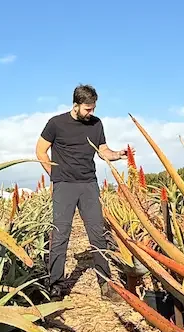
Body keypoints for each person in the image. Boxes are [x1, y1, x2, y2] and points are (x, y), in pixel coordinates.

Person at [36, 84, 126, 300]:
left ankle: (106, 285)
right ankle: (55, 285)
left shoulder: (96, 124)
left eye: (93, 108)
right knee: (60, 236)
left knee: (97, 234)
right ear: (75, 105)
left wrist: (116, 154)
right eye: (87, 109)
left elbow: (102, 150)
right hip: (64, 185)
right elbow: (40, 150)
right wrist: (54, 175)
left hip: (88, 184)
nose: (91, 113)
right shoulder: (56, 123)